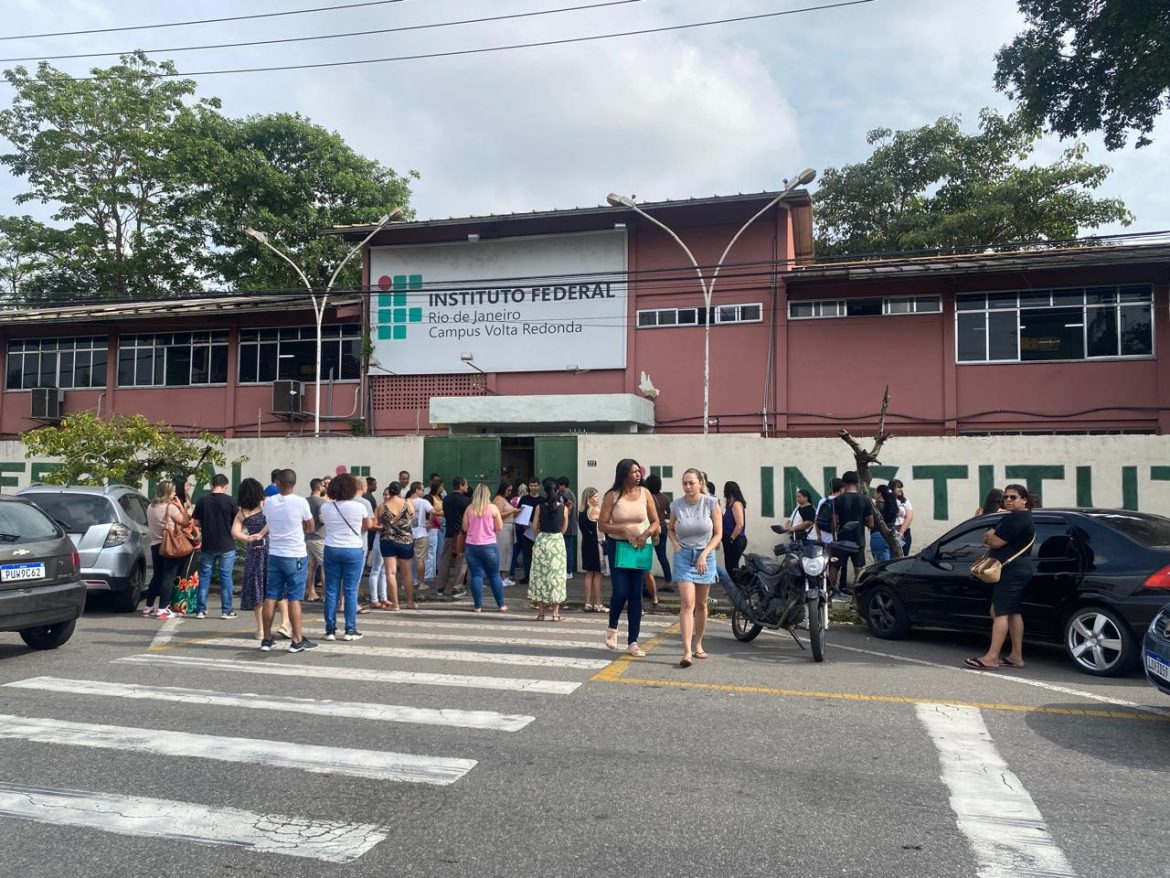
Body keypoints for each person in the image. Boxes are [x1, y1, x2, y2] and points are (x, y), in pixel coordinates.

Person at [965, 484, 1036, 671]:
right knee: (1012, 611)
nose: (1008, 500)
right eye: (1006, 497)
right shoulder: (1019, 517)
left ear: (1024, 499)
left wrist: (988, 536)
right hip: (1018, 569)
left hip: (1011, 570)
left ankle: (992, 657)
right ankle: (1016, 656)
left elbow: (995, 541)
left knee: (999, 612)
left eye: (1013, 497)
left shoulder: (1018, 519)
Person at [598, 459, 660, 657]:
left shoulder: (645, 493)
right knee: (621, 590)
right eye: (633, 472)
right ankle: (612, 626)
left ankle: (633, 641)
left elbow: (656, 522)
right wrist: (623, 529)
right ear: (623, 474)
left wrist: (646, 534)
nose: (638, 475)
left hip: (640, 547)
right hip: (619, 546)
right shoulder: (612, 496)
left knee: (636, 594)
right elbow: (603, 525)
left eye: (638, 471)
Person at [258, 468, 317, 653]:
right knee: (294, 597)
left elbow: (269, 521)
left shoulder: (269, 502)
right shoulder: (301, 502)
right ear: (294, 483)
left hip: (275, 553)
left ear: (279, 483)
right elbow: (311, 526)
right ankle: (297, 640)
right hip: (296, 554)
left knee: (271, 595)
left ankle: (266, 639)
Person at [670, 467, 722, 667]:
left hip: (705, 556)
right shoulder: (677, 505)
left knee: (701, 604)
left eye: (692, 482)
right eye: (685, 483)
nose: (688, 487)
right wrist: (674, 543)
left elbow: (718, 533)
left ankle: (698, 643)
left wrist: (704, 554)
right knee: (687, 603)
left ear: (701, 483)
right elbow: (671, 528)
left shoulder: (711, 503)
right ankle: (686, 651)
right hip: (683, 556)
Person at [322, 473, 376, 639]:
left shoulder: (326, 507)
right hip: (353, 548)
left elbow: (325, 523)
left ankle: (330, 630)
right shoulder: (359, 507)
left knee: (331, 589)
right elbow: (368, 525)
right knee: (351, 590)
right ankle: (350, 629)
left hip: (331, 547)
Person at [231, 477, 274, 641]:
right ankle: (283, 624)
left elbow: (234, 532)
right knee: (272, 589)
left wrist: (248, 538)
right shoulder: (265, 505)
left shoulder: (242, 513)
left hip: (254, 551)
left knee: (257, 590)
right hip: (270, 548)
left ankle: (260, 629)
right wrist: (262, 533)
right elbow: (272, 522)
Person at [142, 479, 190, 620]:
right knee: (168, 577)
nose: (175, 493)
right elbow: (185, 522)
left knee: (157, 576)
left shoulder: (151, 506)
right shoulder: (171, 508)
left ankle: (148, 606)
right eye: (174, 491)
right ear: (168, 492)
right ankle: (162, 608)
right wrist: (181, 507)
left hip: (155, 544)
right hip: (169, 546)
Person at [193, 473, 238, 619]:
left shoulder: (202, 500)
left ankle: (200, 610)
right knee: (226, 576)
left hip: (208, 544)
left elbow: (196, 522)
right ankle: (226, 610)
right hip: (227, 544)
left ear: (212, 485)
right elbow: (236, 523)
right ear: (225, 487)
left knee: (205, 576)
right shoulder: (231, 501)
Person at [462, 483, 509, 613]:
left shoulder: (469, 509)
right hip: (489, 545)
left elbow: (465, 528)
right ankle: (501, 605)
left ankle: (478, 606)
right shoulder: (493, 508)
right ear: (488, 494)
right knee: (494, 575)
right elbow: (499, 527)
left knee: (476, 575)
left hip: (471, 546)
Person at [528, 478, 568, 621]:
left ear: (544, 492)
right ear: (557, 491)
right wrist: (557, 536)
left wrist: (541, 535)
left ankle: (541, 613)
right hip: (557, 542)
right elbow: (564, 527)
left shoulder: (539, 507)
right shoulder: (564, 508)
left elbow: (534, 526)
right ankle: (556, 613)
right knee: (557, 577)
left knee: (540, 577)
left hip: (542, 541)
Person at [831, 471, 874, 597]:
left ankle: (829, 596)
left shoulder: (837, 500)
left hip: (841, 540)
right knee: (859, 569)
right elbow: (871, 524)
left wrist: (834, 537)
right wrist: (861, 521)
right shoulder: (865, 500)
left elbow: (835, 522)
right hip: (858, 540)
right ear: (857, 483)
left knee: (834, 567)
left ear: (843, 483)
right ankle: (857, 597)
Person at [376, 481, 417, 609]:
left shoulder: (381, 507)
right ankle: (410, 602)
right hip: (406, 541)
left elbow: (377, 522)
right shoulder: (409, 503)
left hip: (387, 540)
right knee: (407, 573)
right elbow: (412, 519)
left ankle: (395, 604)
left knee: (390, 573)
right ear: (400, 491)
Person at [435, 477, 470, 598]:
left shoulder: (447, 499)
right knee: (461, 561)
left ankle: (440, 586)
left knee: (445, 560)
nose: (467, 487)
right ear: (461, 485)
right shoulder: (466, 501)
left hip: (449, 533)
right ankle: (457, 587)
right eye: (465, 485)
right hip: (461, 534)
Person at [578, 487, 606, 612]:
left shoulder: (581, 512)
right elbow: (605, 524)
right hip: (596, 544)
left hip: (586, 544)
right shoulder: (595, 511)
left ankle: (587, 603)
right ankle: (598, 603)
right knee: (598, 575)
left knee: (589, 574)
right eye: (595, 496)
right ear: (589, 499)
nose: (597, 499)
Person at [643, 474, 673, 588]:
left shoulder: (646, 497)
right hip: (662, 530)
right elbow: (669, 513)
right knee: (662, 556)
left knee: (646, 556)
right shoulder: (664, 498)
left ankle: (646, 583)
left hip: (649, 530)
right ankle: (669, 581)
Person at [514, 478, 542, 584]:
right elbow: (518, 512)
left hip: (538, 531)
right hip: (526, 530)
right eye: (531, 485)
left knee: (538, 555)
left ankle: (537, 577)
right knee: (526, 554)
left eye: (535, 485)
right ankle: (527, 576)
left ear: (539, 486)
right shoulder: (524, 498)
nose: (533, 488)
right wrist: (522, 523)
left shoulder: (542, 500)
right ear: (528, 486)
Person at [304, 477, 326, 602]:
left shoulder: (305, 501)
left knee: (311, 566)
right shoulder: (321, 503)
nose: (324, 488)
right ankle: (325, 595)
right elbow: (323, 520)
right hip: (319, 537)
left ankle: (311, 593)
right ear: (318, 487)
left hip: (308, 537)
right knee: (325, 566)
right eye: (323, 485)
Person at [408, 482, 432, 594]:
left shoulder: (406, 502)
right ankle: (421, 583)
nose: (423, 492)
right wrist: (429, 523)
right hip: (421, 533)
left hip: (407, 534)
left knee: (407, 560)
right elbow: (433, 511)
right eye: (422, 489)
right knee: (420, 559)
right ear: (417, 490)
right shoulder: (424, 502)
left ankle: (407, 582)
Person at [492, 480, 518, 585]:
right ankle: (498, 577)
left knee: (508, 552)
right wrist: (512, 511)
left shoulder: (505, 500)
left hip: (510, 527)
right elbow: (498, 514)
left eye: (511, 490)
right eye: (508, 490)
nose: (510, 492)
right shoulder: (498, 498)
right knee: (501, 551)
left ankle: (504, 576)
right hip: (503, 528)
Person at [363, 476, 382, 607]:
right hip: (370, 530)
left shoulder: (369, 497)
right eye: (374, 484)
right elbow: (370, 521)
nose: (376, 486)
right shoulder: (368, 499)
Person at [721, 481, 748, 572]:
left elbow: (740, 524)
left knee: (732, 567)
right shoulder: (729, 505)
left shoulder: (736, 504)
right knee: (730, 566)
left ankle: (739, 585)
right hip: (729, 539)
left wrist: (731, 538)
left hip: (736, 539)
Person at [870, 484, 899, 563]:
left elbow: (871, 522)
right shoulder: (893, 506)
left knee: (881, 564)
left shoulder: (876, 507)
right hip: (891, 536)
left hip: (878, 535)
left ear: (879, 494)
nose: (874, 494)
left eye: (875, 492)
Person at [557, 476, 577, 581]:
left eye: (559, 485)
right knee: (568, 547)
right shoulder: (569, 493)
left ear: (563, 485)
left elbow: (570, 507)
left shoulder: (566, 494)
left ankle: (569, 571)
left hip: (568, 526)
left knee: (568, 548)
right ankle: (568, 570)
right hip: (570, 525)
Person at [425, 480, 445, 583]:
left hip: (441, 526)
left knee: (439, 549)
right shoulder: (429, 497)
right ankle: (429, 574)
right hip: (433, 525)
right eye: (441, 486)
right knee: (431, 550)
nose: (443, 488)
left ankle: (435, 571)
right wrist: (439, 513)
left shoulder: (440, 497)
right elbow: (429, 512)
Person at [891, 478, 915, 554]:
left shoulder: (904, 501)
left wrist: (901, 532)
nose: (901, 489)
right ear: (892, 488)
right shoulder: (887, 501)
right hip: (892, 532)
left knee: (904, 555)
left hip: (904, 532)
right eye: (898, 487)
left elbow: (909, 516)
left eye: (901, 487)